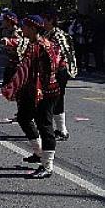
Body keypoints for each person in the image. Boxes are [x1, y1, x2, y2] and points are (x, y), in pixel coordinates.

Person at [2, 16, 61, 179]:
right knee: (23, 117)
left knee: (45, 125)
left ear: (33, 29)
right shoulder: (34, 44)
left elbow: (29, 70)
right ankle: (38, 153)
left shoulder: (41, 46)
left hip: (46, 91)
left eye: (25, 27)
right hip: (35, 89)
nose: (22, 29)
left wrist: (12, 87)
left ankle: (47, 166)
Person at [43, 12, 77, 141]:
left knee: (57, 98)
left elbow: (61, 54)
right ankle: (58, 129)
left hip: (59, 71)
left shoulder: (59, 35)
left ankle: (62, 130)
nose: (43, 23)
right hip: (50, 71)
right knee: (52, 98)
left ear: (51, 21)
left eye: (45, 20)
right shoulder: (47, 34)